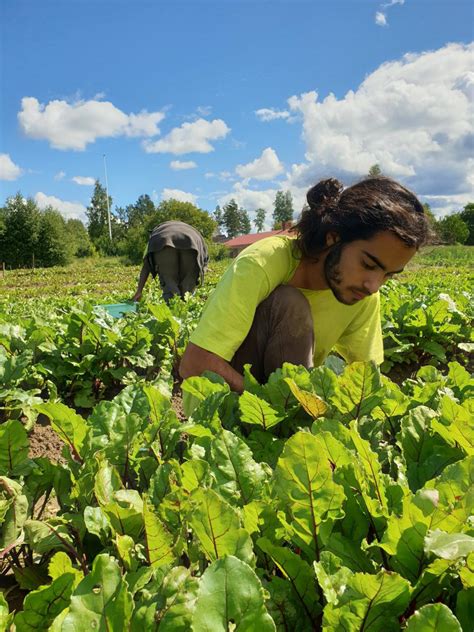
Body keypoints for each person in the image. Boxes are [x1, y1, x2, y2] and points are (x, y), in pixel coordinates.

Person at [179, 176, 430, 392]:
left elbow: (367, 378)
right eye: (368, 264)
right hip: (222, 409)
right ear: (334, 238)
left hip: (282, 404)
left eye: (389, 274)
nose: (374, 285)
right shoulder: (265, 261)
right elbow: (195, 365)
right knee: (289, 304)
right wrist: (269, 406)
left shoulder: (364, 294)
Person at [132, 220, 209, 303]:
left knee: (170, 286)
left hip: (163, 240)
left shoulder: (156, 234)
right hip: (193, 240)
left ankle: (171, 310)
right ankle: (186, 308)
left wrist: (139, 291)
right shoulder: (190, 229)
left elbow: (146, 265)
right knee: (188, 287)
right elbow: (204, 260)